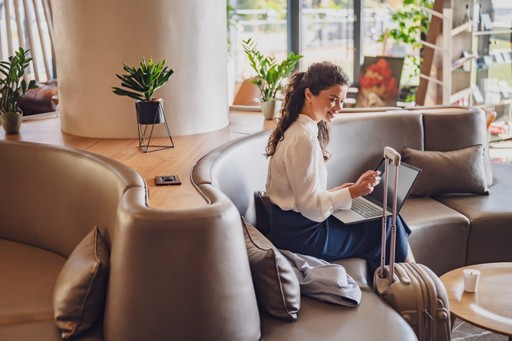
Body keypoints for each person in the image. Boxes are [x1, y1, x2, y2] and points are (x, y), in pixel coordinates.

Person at [265, 61, 414, 273]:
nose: (339, 108)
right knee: (387, 223)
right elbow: (310, 208)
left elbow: (301, 196)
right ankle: (415, 281)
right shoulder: (304, 138)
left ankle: (414, 280)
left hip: (294, 226)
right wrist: (352, 192)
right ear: (309, 94)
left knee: (388, 217)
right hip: (303, 235)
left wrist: (342, 192)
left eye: (342, 100)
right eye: (333, 100)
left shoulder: (298, 129)